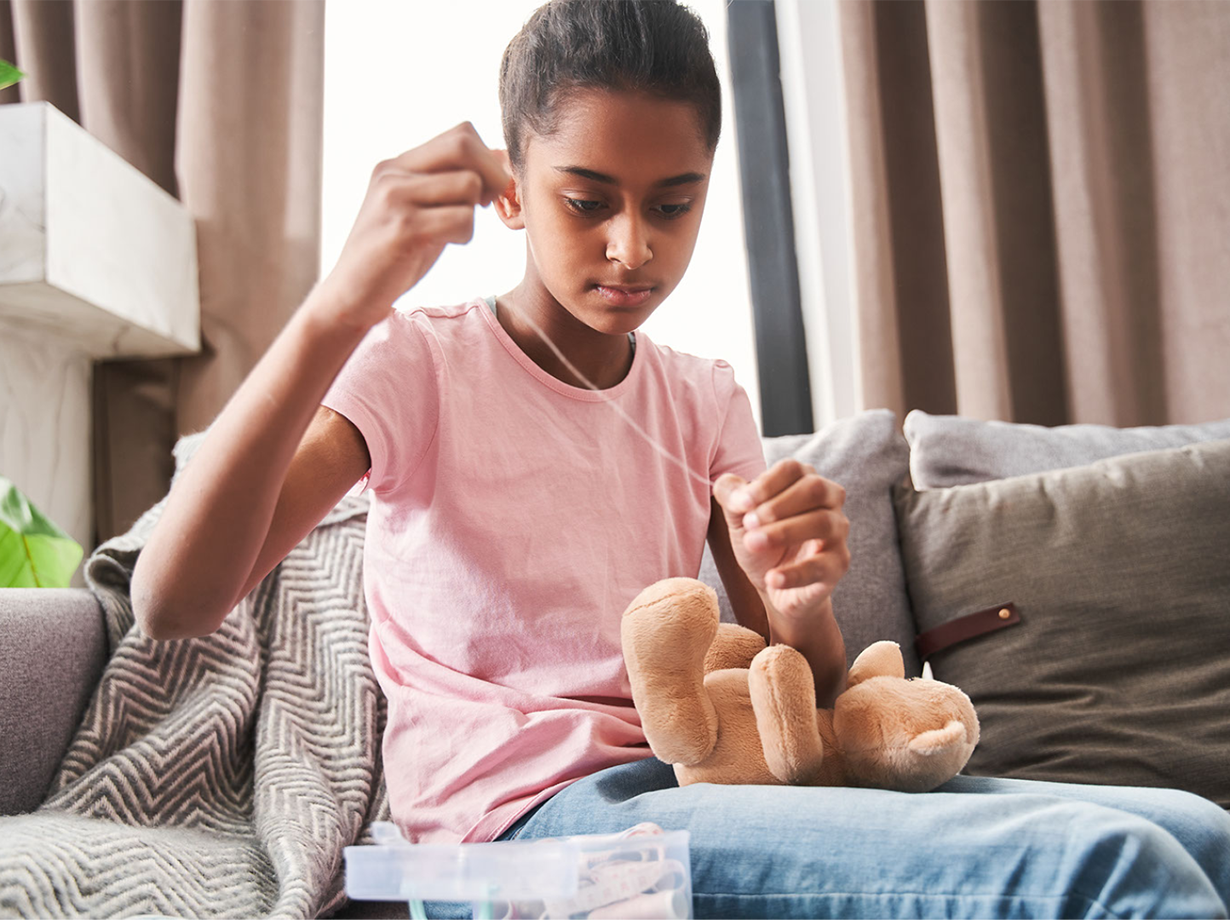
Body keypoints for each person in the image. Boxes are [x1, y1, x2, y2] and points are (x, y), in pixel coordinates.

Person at [131, 0, 1230, 917]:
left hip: (698, 778)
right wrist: (335, 307)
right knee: (1112, 870)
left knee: (1196, 829)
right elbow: (174, 599)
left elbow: (814, 692)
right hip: (514, 840)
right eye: (586, 200)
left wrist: (801, 597)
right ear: (513, 187)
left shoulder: (702, 394)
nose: (632, 248)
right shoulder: (416, 365)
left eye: (672, 204)